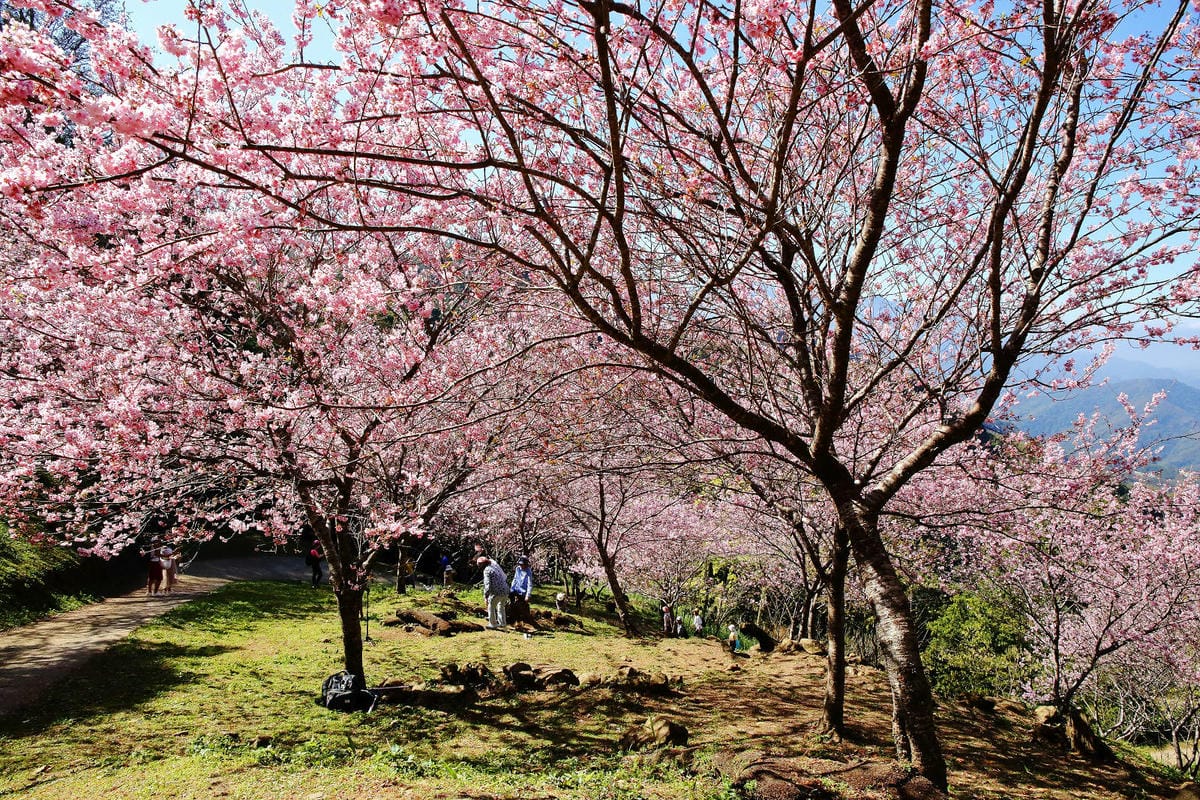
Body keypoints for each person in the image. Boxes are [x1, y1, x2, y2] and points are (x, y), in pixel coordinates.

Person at [477, 556, 508, 629]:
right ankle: (502, 623)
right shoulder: (494, 567)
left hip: (497, 592)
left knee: (491, 606)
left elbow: (487, 585)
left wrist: (486, 596)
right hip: (506, 590)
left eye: (478, 564)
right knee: (501, 607)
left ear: (482, 564)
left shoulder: (487, 570)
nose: (478, 565)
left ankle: (493, 624)